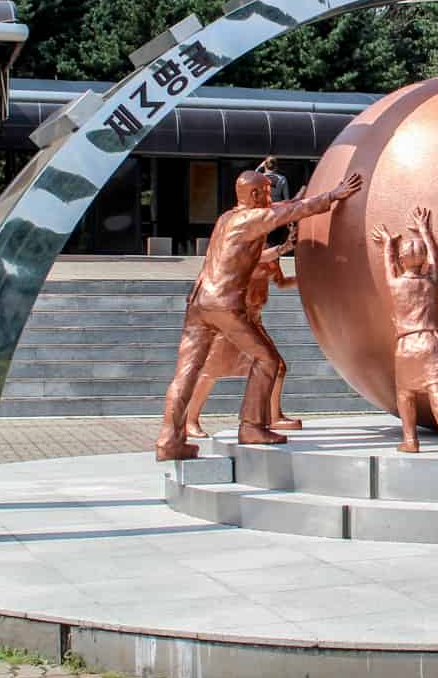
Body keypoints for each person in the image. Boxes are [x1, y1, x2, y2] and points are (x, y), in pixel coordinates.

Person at [155, 169, 363, 461]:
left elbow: (281, 209)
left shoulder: (228, 217)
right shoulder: (251, 219)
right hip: (224, 305)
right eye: (267, 192)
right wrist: (332, 195)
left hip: (198, 303)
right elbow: (288, 213)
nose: (270, 197)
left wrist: (294, 201)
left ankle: (169, 440)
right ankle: (252, 425)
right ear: (254, 195)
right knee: (268, 360)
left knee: (185, 373)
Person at [182, 230, 300, 440]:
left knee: (278, 367)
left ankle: (274, 416)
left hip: (254, 321)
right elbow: (257, 258)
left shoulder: (271, 258)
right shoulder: (242, 255)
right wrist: (284, 247)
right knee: (211, 371)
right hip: (233, 322)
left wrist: (304, 280)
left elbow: (280, 283)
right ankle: (189, 420)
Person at [371, 206, 438, 457]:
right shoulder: (431, 282)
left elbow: (388, 267)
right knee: (437, 390)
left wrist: (388, 245)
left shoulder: (395, 284)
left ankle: (410, 439)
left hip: (405, 343)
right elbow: (435, 259)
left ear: (402, 261)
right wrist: (425, 231)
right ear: (423, 260)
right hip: (430, 340)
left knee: (405, 393)